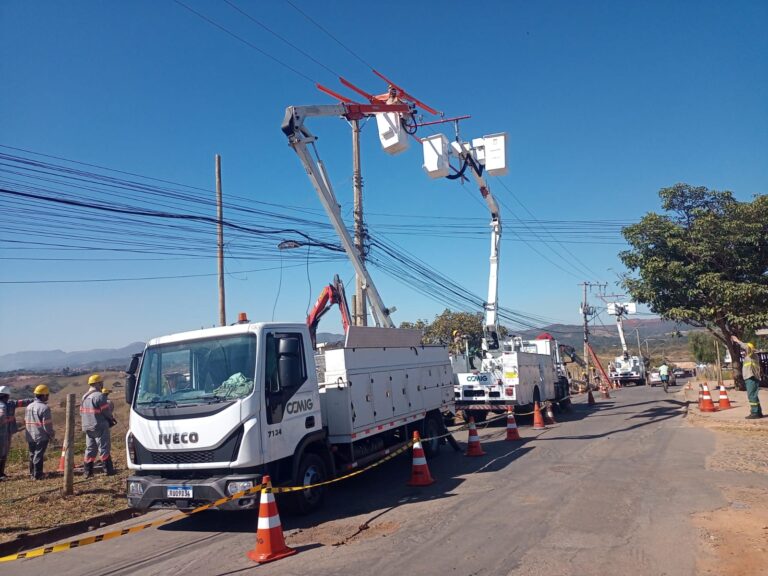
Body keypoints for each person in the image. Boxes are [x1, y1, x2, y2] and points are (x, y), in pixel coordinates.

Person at [80, 374, 117, 477]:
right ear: (98, 384)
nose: (102, 385)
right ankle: (108, 470)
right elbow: (106, 412)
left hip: (87, 426)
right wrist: (111, 419)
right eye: (101, 383)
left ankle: (87, 472)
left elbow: (81, 412)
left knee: (90, 449)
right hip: (99, 425)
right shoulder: (99, 396)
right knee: (104, 447)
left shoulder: (84, 396)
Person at [0, 385, 34, 479]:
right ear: (6, 395)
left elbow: (22, 402)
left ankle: (1, 473)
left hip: (7, 432)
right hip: (3, 433)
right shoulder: (5, 405)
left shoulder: (10, 404)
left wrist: (35, 400)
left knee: (4, 453)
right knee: (2, 453)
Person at [24, 384, 55, 480]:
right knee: (38, 455)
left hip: (30, 435)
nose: (48, 396)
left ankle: (32, 473)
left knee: (32, 454)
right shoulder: (44, 408)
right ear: (44, 395)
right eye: (47, 395)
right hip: (41, 436)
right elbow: (47, 425)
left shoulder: (29, 406)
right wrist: (51, 435)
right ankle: (38, 475)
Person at [731, 335, 763, 419]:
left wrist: (737, 341)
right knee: (754, 395)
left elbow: (746, 347)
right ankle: (758, 412)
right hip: (750, 378)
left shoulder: (751, 356)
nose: (744, 351)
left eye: (746, 350)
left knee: (751, 395)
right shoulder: (750, 357)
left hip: (751, 378)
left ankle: (754, 413)